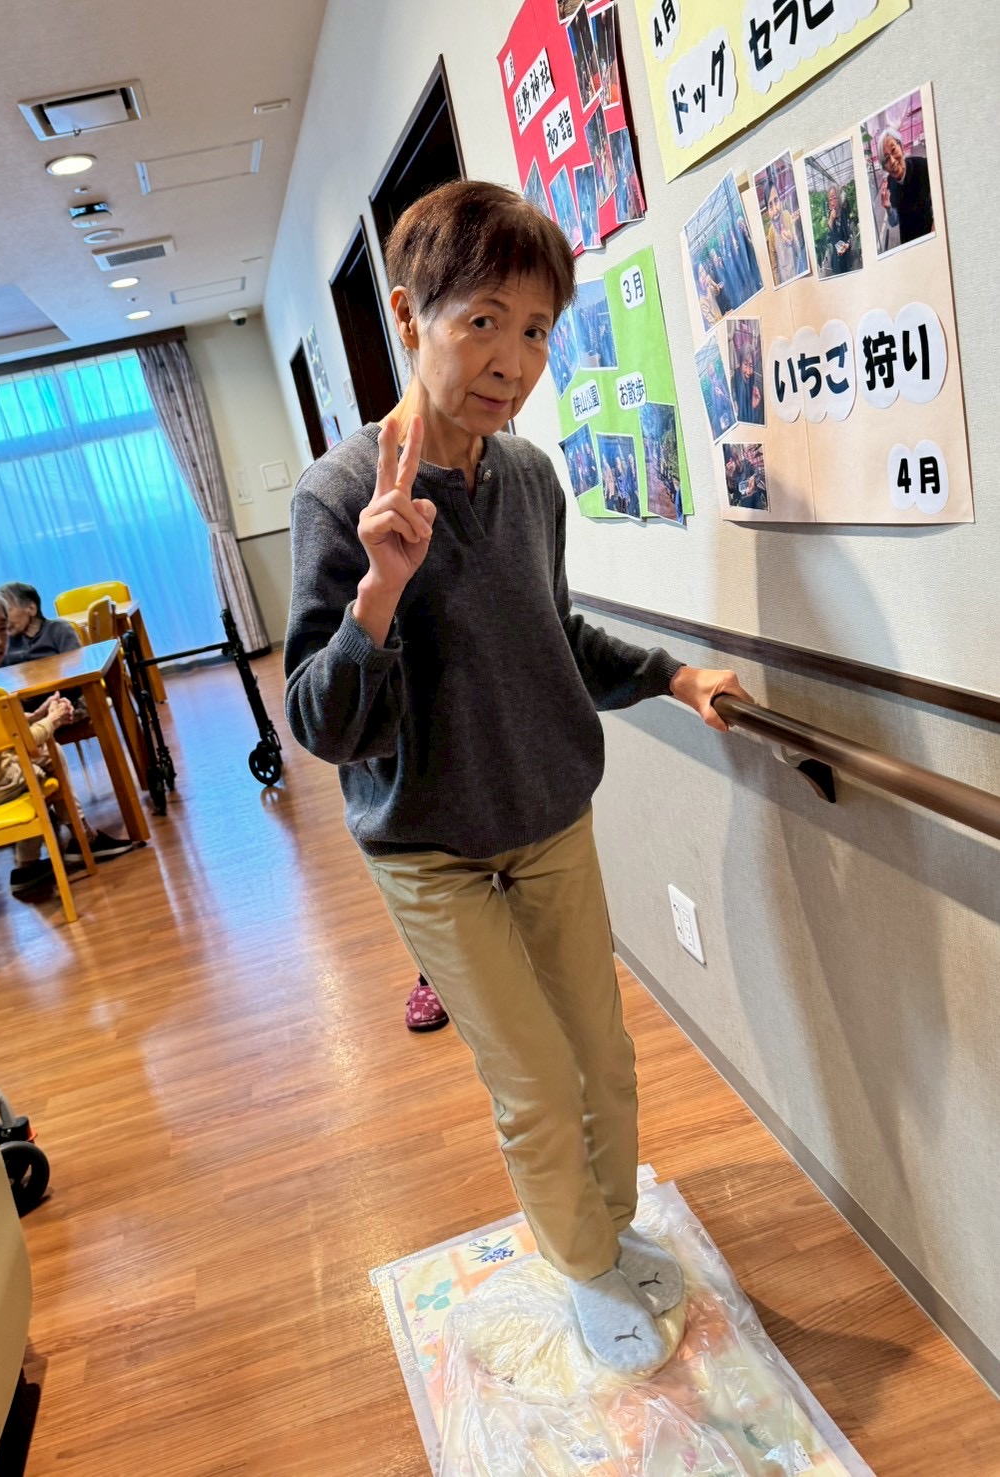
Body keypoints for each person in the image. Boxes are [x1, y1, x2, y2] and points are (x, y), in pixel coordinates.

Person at [284, 180, 750, 1374]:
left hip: (548, 817)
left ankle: (608, 1232)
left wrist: (674, 676)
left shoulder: (533, 478)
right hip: (429, 850)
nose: (512, 359)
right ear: (408, 316)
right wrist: (377, 593)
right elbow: (322, 723)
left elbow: (558, 638)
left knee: (604, 1055)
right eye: (482, 320)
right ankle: (583, 1263)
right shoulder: (339, 494)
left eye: (537, 329)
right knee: (535, 1081)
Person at [0, 584, 134, 896]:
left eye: (3, 629)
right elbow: (25, 744)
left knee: (31, 762)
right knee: (46, 755)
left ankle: (31, 865)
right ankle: (82, 841)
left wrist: (35, 715)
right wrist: (52, 720)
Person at [0, 582, 82, 663]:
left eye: (7, 610)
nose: (3, 618)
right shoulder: (6, 640)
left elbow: (75, 665)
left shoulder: (59, 629)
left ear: (31, 609)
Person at [878, 127, 933, 246]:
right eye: (886, 159)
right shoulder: (890, 183)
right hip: (908, 242)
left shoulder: (922, 166)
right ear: (885, 168)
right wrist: (888, 208)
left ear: (901, 146)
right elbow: (894, 222)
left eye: (893, 150)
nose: (892, 161)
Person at [764, 181, 806, 286]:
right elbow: (775, 268)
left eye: (776, 201)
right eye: (770, 205)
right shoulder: (771, 233)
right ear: (767, 211)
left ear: (780, 200)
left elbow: (799, 251)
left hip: (798, 274)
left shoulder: (787, 216)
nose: (775, 210)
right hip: (785, 283)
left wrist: (792, 242)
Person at [732, 345, 763, 424]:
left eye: (751, 365)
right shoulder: (735, 377)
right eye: (745, 365)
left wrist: (755, 406)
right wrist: (734, 400)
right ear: (740, 364)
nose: (749, 371)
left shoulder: (755, 383)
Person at [826, 185, 853, 273]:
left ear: (839, 199)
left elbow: (851, 234)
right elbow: (827, 239)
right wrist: (831, 220)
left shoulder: (844, 212)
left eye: (834, 198)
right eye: (830, 200)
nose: (832, 203)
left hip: (846, 258)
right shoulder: (828, 216)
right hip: (836, 261)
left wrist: (847, 245)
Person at [697, 260, 723, 329]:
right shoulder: (702, 302)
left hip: (721, 319)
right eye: (700, 275)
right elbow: (713, 326)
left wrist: (711, 282)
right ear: (697, 282)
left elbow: (717, 291)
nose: (703, 275)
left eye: (703, 270)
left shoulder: (708, 288)